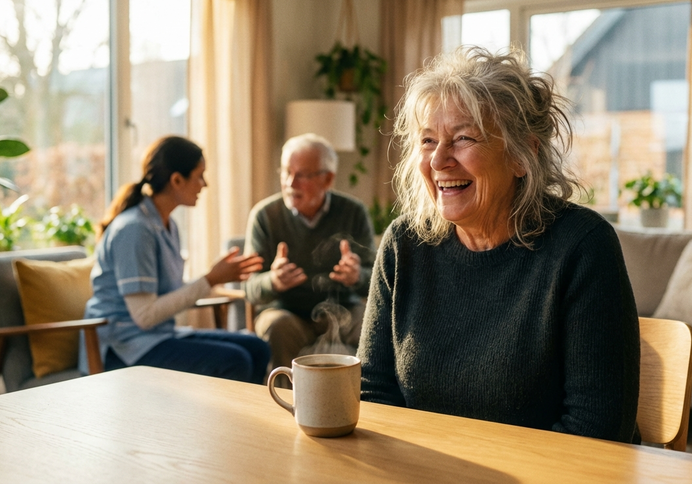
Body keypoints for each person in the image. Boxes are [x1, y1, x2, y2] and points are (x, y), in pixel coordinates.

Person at [358, 47, 640, 443]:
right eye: (427, 140)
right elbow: (373, 395)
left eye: (463, 138)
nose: (439, 160)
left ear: (523, 155)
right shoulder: (404, 245)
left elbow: (597, 428)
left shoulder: (582, 247)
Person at [84, 135, 270, 384]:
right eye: (199, 175)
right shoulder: (135, 230)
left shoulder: (166, 225)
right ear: (176, 180)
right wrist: (211, 279)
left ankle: (245, 422)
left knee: (257, 348)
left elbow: (165, 296)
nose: (204, 184)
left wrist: (215, 277)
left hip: (157, 337)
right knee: (236, 360)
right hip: (124, 350)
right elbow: (145, 316)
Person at [243, 133, 375, 373]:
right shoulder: (265, 216)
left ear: (328, 179)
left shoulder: (353, 211)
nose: (291, 183)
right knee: (278, 326)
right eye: (286, 172)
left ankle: (370, 402)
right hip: (286, 312)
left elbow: (376, 282)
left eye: (302, 175)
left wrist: (357, 277)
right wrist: (273, 281)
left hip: (344, 308)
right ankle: (282, 403)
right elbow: (250, 289)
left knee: (374, 323)